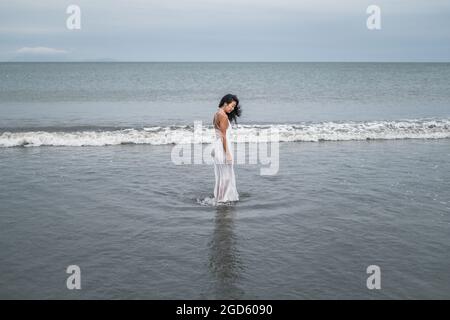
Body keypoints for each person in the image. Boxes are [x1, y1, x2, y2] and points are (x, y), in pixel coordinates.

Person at [211, 94, 242, 203]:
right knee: (226, 177)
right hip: (222, 148)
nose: (232, 109)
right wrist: (227, 153)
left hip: (217, 146)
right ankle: (221, 200)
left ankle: (219, 199)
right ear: (225, 103)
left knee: (222, 176)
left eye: (234, 107)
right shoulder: (223, 116)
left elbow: (219, 134)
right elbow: (223, 136)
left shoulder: (217, 113)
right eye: (232, 106)